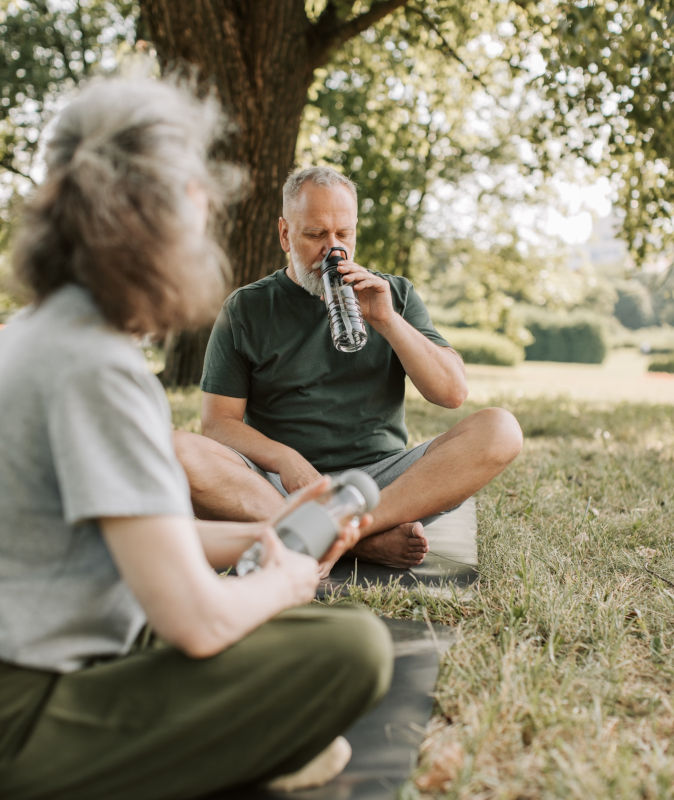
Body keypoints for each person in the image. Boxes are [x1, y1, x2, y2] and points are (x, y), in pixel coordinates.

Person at [0, 78, 393, 800]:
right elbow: (198, 621)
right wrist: (286, 580)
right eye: (197, 196)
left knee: (279, 632)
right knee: (352, 648)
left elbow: (142, 545)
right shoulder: (94, 369)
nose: (208, 213)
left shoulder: (40, 334)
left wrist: (268, 534)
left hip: (66, 642)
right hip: (25, 719)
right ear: (148, 217)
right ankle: (232, 751)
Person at [175, 166, 523, 570]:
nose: (333, 250)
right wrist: (287, 461)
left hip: (381, 487)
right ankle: (360, 544)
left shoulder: (395, 295)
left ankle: (340, 532)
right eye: (315, 235)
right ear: (286, 234)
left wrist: (387, 321)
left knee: (501, 429)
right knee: (177, 450)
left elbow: (451, 394)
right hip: (280, 487)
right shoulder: (246, 308)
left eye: (344, 234)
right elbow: (218, 424)